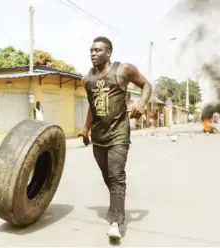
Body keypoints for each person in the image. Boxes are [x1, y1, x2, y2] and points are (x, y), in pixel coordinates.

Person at [77, 37, 152, 240]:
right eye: (91, 50)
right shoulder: (87, 79)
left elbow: (146, 85)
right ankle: (117, 204)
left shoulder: (123, 70)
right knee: (108, 177)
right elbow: (92, 108)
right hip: (98, 136)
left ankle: (115, 222)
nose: (93, 53)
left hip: (119, 134)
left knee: (117, 176)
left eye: (98, 50)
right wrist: (85, 129)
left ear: (109, 53)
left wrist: (142, 104)